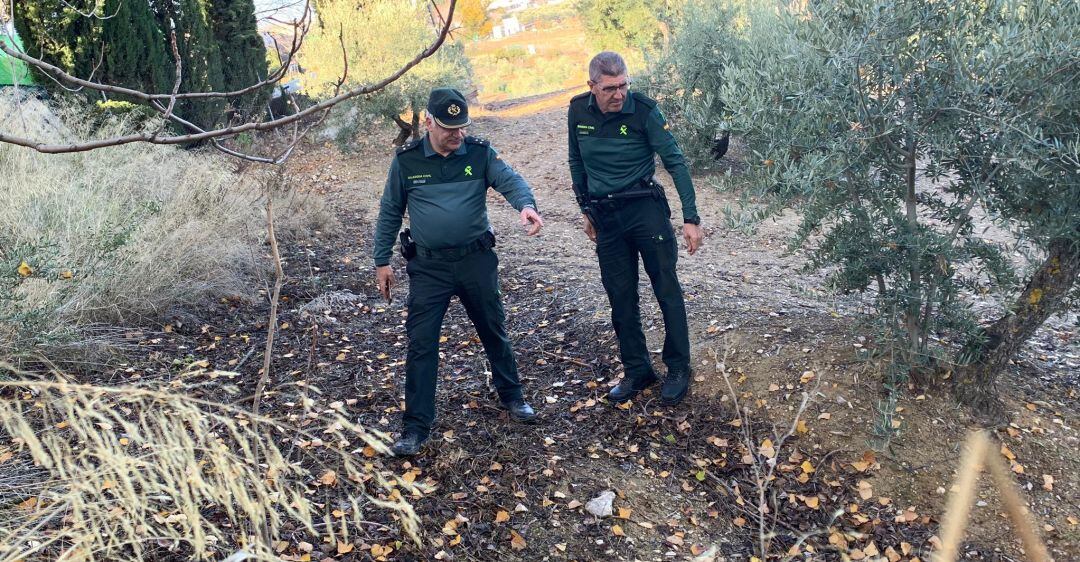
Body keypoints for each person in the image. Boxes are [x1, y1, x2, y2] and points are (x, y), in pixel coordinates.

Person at [373, 88, 545, 456]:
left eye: (463, 127)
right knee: (421, 344)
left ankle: (512, 396)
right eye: (450, 128)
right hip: (429, 267)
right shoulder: (407, 161)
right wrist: (382, 260)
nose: (458, 134)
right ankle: (416, 427)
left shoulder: (479, 153)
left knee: (493, 328)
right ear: (430, 123)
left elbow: (510, 179)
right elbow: (390, 210)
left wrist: (525, 206)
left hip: (475, 261)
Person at [567, 51, 703, 406]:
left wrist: (691, 218)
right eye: (610, 88)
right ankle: (637, 370)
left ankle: (678, 367)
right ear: (592, 86)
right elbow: (576, 160)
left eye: (624, 85)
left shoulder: (644, 110)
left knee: (666, 289)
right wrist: (586, 208)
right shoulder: (578, 110)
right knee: (620, 296)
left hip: (645, 209)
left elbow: (675, 161)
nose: (619, 94)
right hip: (606, 216)